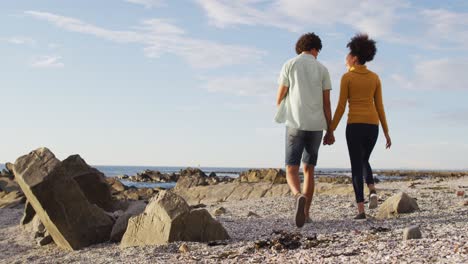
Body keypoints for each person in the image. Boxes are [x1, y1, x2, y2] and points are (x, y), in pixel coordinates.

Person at [325, 34, 392, 220]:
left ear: (354, 58)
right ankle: (372, 189)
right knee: (364, 160)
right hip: (373, 127)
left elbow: (340, 106)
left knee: (356, 166)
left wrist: (331, 129)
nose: (345, 58)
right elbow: (380, 107)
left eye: (348, 55)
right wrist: (386, 132)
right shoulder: (375, 78)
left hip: (354, 126)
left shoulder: (347, 77)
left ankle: (361, 211)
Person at [276, 33, 332, 227]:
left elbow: (280, 95)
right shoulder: (323, 69)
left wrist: (283, 104)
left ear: (300, 48)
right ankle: (306, 214)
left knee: (291, 168)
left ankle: (297, 195)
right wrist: (330, 130)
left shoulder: (289, 65)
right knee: (309, 170)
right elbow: (327, 104)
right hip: (316, 126)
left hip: (295, 123)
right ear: (315, 49)